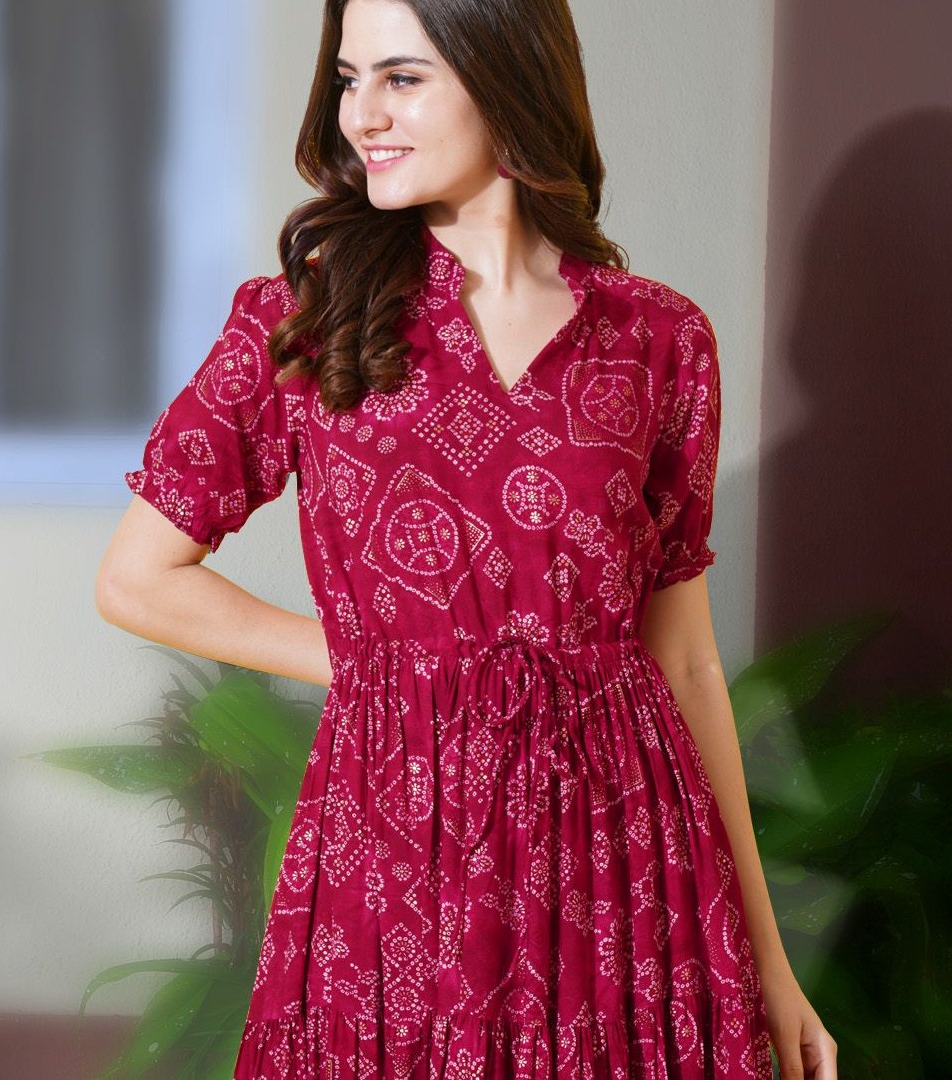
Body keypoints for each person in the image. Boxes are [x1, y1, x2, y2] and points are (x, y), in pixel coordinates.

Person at [96, 0, 838, 1076]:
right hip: (398, 849)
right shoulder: (303, 318)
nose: (361, 115)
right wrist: (385, 665)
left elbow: (684, 660)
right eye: (348, 79)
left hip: (624, 858)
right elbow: (138, 579)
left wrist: (768, 964)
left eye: (401, 78)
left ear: (507, 74)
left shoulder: (657, 338)